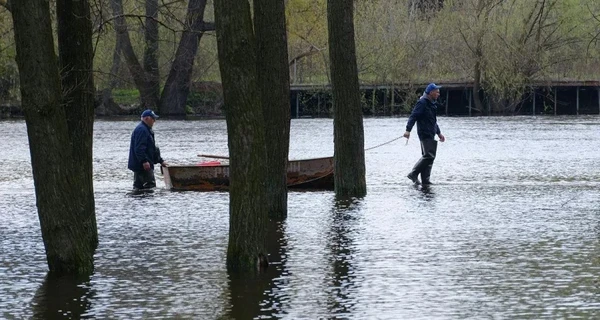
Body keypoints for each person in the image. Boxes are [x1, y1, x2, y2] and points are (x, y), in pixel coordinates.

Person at [403, 83, 446, 185]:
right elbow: (413, 116)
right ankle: (413, 174)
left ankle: (425, 180)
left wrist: (439, 133)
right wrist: (408, 130)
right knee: (429, 156)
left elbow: (433, 121)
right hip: (424, 132)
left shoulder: (432, 103)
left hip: (431, 132)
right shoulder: (422, 102)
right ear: (431, 92)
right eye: (437, 92)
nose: (438, 94)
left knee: (430, 157)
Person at [128, 109, 167, 190]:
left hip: (142, 165)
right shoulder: (142, 130)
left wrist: (161, 161)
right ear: (146, 119)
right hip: (143, 166)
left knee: (138, 188)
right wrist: (144, 161)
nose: (154, 121)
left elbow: (152, 149)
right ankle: (147, 202)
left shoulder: (146, 130)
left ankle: (138, 201)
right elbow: (139, 148)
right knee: (150, 187)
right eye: (153, 119)